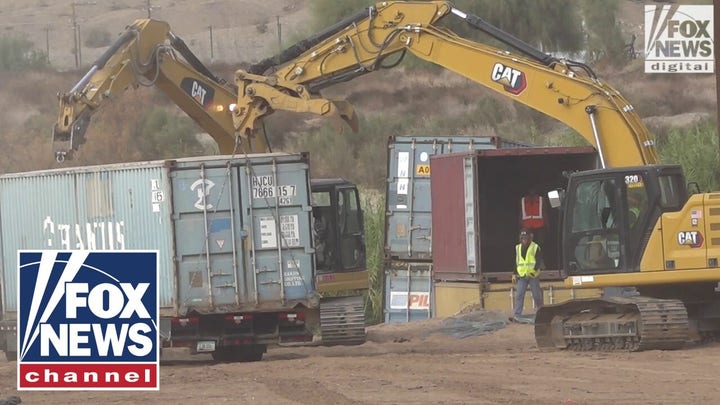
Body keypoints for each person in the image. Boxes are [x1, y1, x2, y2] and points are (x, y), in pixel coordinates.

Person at [511, 229, 544, 321]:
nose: (524, 240)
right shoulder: (518, 248)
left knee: (536, 295)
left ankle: (541, 312)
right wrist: (514, 273)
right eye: (522, 238)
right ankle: (517, 314)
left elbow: (538, 262)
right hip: (522, 276)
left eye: (525, 238)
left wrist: (533, 271)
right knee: (519, 294)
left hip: (533, 276)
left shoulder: (535, 247)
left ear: (530, 238)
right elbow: (516, 262)